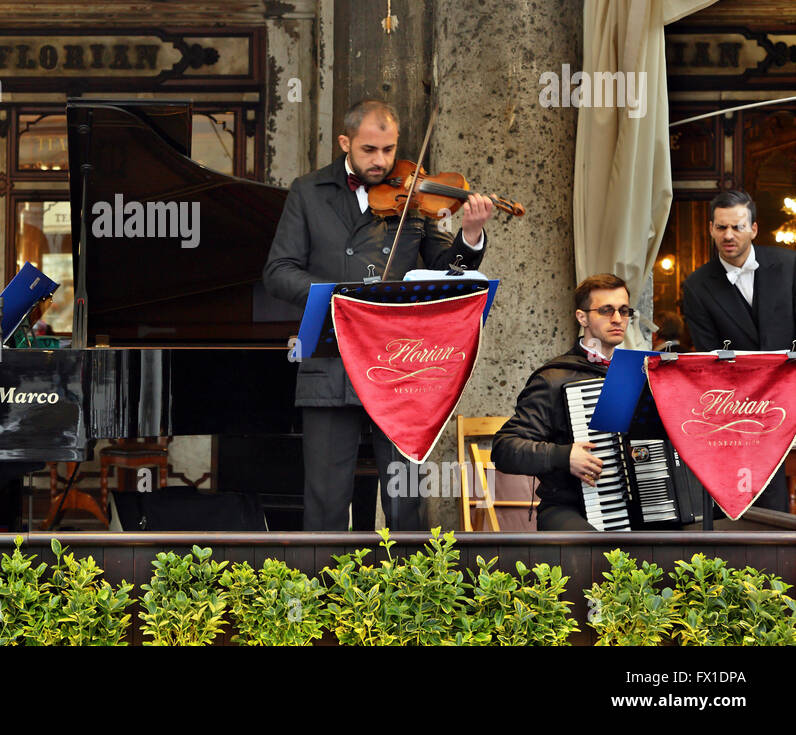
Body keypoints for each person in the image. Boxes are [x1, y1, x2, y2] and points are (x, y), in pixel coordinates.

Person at [263, 99, 494, 530]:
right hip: (331, 361)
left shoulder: (417, 196)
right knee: (326, 499)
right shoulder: (308, 191)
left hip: (398, 364)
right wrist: (338, 297)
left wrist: (471, 234)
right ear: (345, 142)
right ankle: (321, 597)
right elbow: (278, 272)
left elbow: (446, 270)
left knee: (406, 500)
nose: (382, 161)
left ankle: (412, 592)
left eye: (389, 149)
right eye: (369, 149)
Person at [681, 188, 795, 512]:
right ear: (711, 229)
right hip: (741, 414)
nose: (728, 235)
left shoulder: (790, 266)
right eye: (721, 227)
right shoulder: (696, 285)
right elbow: (710, 358)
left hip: (794, 399)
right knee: (759, 507)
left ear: (754, 229)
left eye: (737, 227)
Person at [490, 274, 631, 531]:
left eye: (624, 310)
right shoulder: (554, 378)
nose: (618, 319)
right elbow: (505, 448)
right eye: (606, 310)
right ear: (582, 317)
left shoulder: (637, 374)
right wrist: (564, 455)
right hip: (568, 508)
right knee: (597, 551)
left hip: (632, 508)